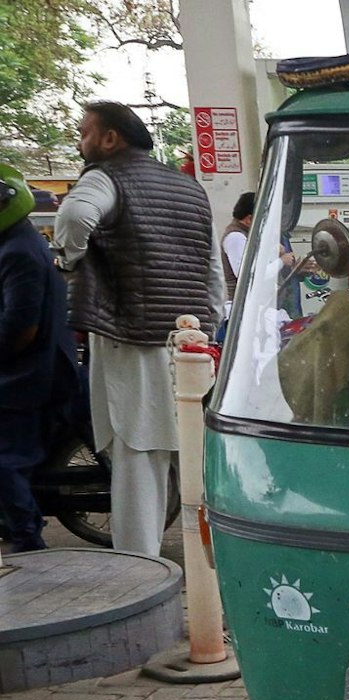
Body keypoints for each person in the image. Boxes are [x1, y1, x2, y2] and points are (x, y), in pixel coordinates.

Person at [53, 101, 222, 556]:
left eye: (85, 131)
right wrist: (209, 324)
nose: (80, 140)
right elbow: (211, 272)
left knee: (137, 454)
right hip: (191, 342)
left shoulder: (106, 177)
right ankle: (214, 566)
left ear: (110, 138)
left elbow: (73, 218)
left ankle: (139, 570)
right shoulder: (189, 189)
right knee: (193, 454)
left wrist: (69, 259)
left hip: (132, 335)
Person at [0, 163, 81, 553]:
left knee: (5, 461)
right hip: (34, 367)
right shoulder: (17, 243)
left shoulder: (18, 251)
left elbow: (20, 327)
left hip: (29, 374)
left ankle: (26, 537)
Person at [220, 191, 254, 310]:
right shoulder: (235, 237)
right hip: (243, 308)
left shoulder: (245, 235)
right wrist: (280, 261)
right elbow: (245, 274)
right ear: (249, 219)